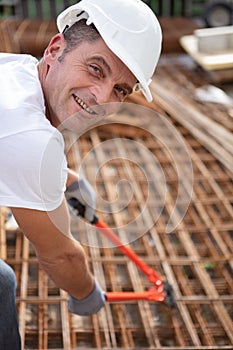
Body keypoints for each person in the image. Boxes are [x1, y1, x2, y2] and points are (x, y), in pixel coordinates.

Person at [0, 0, 162, 348]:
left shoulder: (19, 70)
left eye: (120, 89)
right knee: (2, 287)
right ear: (55, 49)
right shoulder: (31, 140)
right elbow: (60, 256)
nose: (103, 97)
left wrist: (68, 181)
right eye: (95, 69)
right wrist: (85, 292)